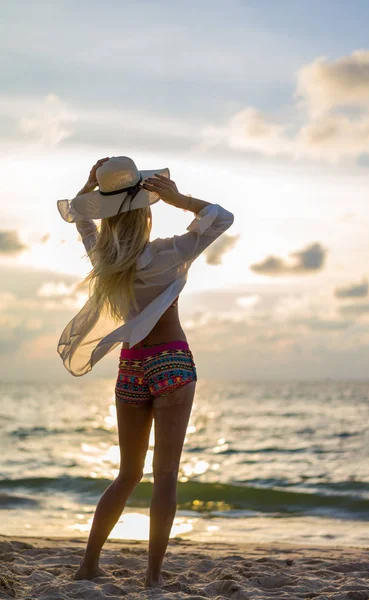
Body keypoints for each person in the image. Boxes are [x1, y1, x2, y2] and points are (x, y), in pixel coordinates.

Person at [57, 157, 234, 587]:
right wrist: (180, 199)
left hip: (132, 367)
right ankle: (153, 577)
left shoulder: (105, 258)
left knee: (128, 474)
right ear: (147, 211)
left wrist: (89, 188)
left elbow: (80, 218)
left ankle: (88, 565)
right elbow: (221, 219)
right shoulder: (169, 251)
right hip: (171, 360)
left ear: (110, 217)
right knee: (167, 474)